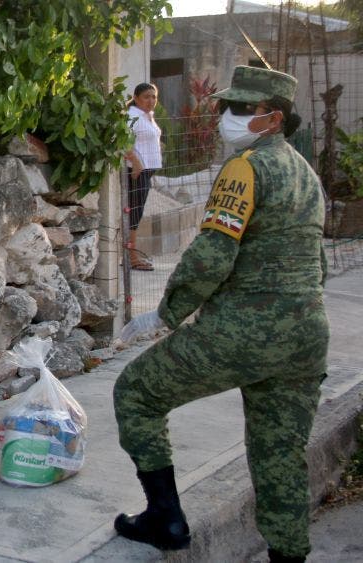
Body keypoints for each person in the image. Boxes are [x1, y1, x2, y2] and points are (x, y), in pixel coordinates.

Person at [111, 65, 328, 563]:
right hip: (307, 335)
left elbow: (212, 254)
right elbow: (313, 259)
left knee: (137, 393)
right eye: (226, 106)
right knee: (281, 451)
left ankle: (165, 518)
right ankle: (289, 554)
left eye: (241, 109)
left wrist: (166, 315)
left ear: (273, 118)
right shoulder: (304, 172)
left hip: (244, 330)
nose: (227, 115)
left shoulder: (245, 167)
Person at [125, 82, 163, 271]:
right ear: (137, 97)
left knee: (136, 214)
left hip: (146, 172)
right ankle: (132, 256)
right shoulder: (132, 116)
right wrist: (136, 162)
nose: (151, 100)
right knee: (134, 214)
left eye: (154, 96)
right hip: (136, 172)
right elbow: (123, 140)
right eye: (147, 96)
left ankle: (132, 253)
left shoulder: (147, 116)